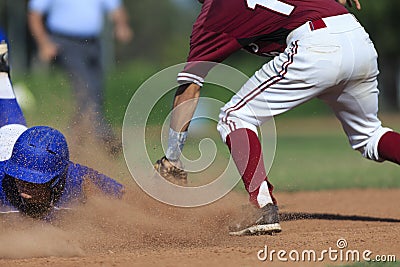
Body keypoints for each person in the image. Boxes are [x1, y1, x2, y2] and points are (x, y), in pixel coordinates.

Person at [154, 0, 400, 236]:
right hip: (357, 38)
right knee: (369, 135)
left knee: (234, 117)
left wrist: (173, 158)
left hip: (317, 45)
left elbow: (190, 88)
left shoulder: (213, 15)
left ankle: (262, 208)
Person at [0, 38, 124, 219]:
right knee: (9, 130)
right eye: (20, 178)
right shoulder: (4, 180)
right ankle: (2, 74)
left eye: (34, 183)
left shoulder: (77, 180)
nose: (24, 190)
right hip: (6, 154)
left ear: (57, 180)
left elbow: (122, 197)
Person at [27, 0, 133, 155]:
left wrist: (121, 25)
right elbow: (34, 15)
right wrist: (43, 43)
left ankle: (73, 144)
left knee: (96, 93)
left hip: (94, 44)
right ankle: (103, 136)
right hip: (65, 43)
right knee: (85, 89)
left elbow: (116, 8)